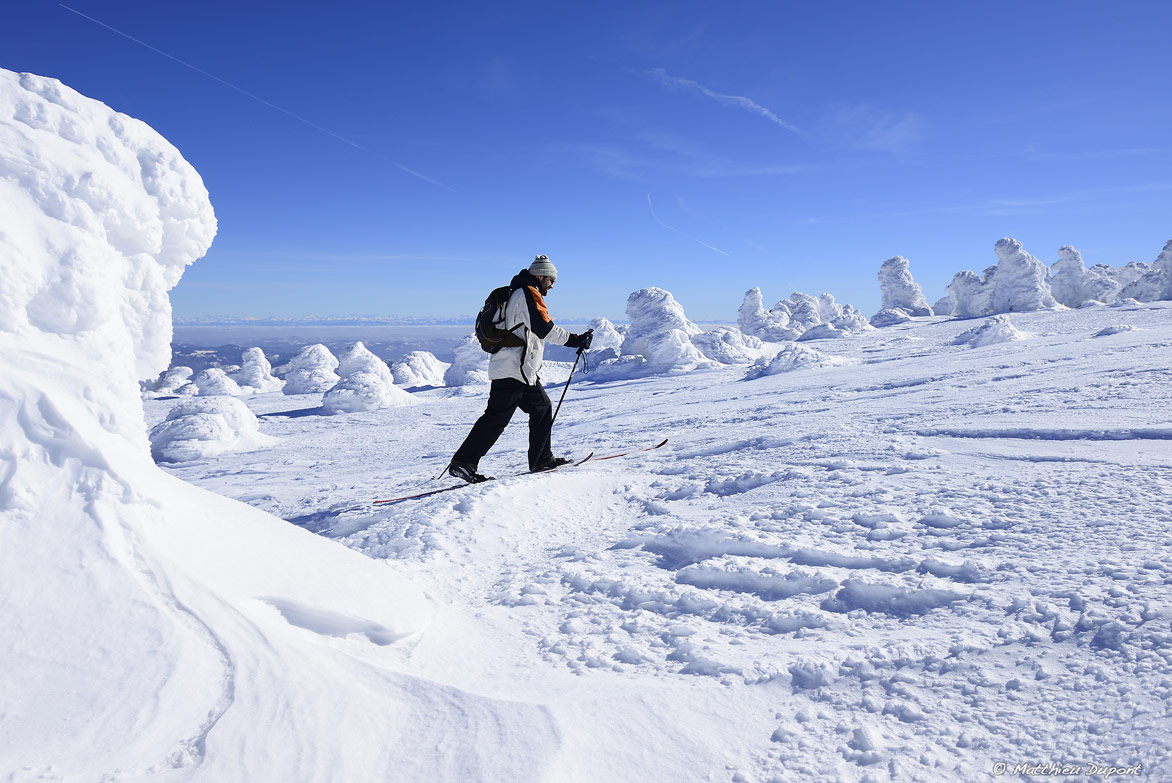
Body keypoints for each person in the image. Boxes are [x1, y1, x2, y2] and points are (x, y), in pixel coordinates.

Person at [447, 255, 593, 483]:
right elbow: (544, 328)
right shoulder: (527, 293)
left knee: (542, 408)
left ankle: (541, 459)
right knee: (496, 418)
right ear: (540, 275)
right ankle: (463, 463)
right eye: (551, 280)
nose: (552, 285)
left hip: (521, 371)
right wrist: (575, 340)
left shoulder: (519, 293)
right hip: (512, 369)